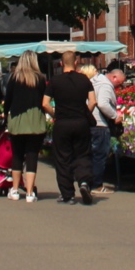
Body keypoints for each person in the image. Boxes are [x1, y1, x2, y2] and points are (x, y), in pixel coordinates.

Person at [48, 51, 97, 206]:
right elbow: (93, 101)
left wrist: (55, 114)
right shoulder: (84, 80)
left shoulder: (55, 81)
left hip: (62, 122)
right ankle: (83, 182)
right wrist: (84, 112)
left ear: (61, 63)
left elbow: (44, 103)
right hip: (80, 122)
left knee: (63, 158)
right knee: (82, 154)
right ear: (76, 62)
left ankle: (67, 193)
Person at [3, 51, 51, 202]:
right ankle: (30, 192)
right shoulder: (40, 79)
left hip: (18, 119)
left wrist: (5, 115)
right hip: (35, 119)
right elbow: (45, 99)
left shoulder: (14, 78)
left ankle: (15, 190)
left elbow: (8, 100)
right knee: (32, 155)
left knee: (17, 155)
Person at [88, 63, 123, 192]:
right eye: (119, 83)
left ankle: (87, 183)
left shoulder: (94, 80)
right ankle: (97, 185)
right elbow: (102, 104)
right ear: (114, 77)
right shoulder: (106, 85)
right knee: (99, 155)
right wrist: (115, 116)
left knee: (90, 155)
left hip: (89, 122)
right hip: (100, 124)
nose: (119, 87)